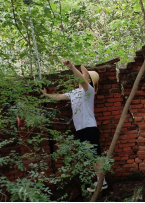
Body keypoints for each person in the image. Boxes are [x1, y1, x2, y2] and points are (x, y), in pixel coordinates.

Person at [41, 60, 108, 192]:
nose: (82, 76)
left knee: (96, 156)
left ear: (88, 81)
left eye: (85, 75)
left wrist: (71, 67)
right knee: (91, 157)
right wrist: (46, 95)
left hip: (90, 128)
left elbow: (81, 80)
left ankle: (103, 182)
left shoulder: (89, 91)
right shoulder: (74, 93)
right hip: (81, 130)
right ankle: (100, 181)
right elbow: (59, 97)